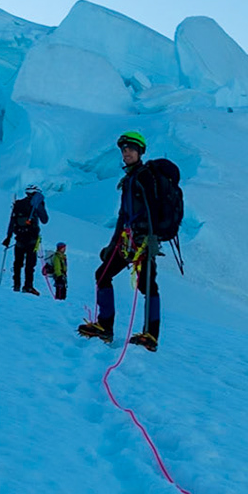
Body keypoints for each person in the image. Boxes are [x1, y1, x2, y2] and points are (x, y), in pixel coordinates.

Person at [77, 131, 163, 350]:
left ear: (140, 152)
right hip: (128, 241)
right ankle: (107, 327)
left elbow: (154, 211)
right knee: (104, 275)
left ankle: (149, 336)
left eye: (131, 149)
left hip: (143, 242)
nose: (126, 153)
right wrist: (112, 244)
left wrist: (151, 239)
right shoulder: (130, 179)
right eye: (124, 149)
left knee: (147, 285)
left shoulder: (144, 177)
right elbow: (124, 217)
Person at [3, 184, 49, 295]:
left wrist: (8, 237)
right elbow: (45, 220)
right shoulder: (36, 204)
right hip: (32, 238)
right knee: (30, 263)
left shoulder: (18, 204)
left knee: (17, 263)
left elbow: (12, 221)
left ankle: (16, 285)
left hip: (19, 238)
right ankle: (28, 286)